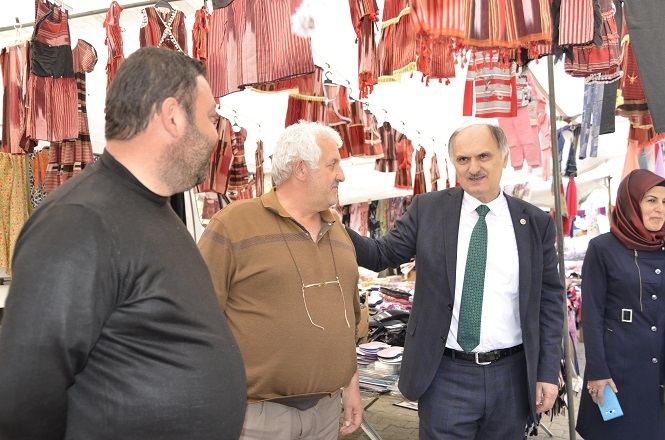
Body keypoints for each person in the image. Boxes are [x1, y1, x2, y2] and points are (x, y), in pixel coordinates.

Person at [0, 47, 247, 439]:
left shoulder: (154, 206)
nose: (217, 133)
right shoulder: (80, 222)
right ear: (172, 117)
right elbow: (22, 400)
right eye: (212, 118)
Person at [346, 123, 564, 439]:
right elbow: (382, 254)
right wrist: (328, 223)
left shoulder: (535, 223)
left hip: (512, 376)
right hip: (446, 374)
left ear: (503, 156)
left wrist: (546, 371)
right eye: (463, 160)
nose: (473, 168)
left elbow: (550, 301)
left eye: (483, 156)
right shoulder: (429, 209)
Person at [198, 121, 363, 439]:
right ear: (301, 169)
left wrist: (351, 384)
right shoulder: (233, 224)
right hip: (257, 415)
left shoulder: (339, 231)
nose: (341, 175)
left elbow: (348, 320)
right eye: (333, 164)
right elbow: (198, 320)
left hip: (327, 411)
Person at [576, 169, 665, 439]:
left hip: (659, 372)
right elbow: (591, 316)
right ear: (631, 202)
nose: (660, 209)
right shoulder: (603, 248)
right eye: (651, 200)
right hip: (617, 373)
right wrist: (597, 372)